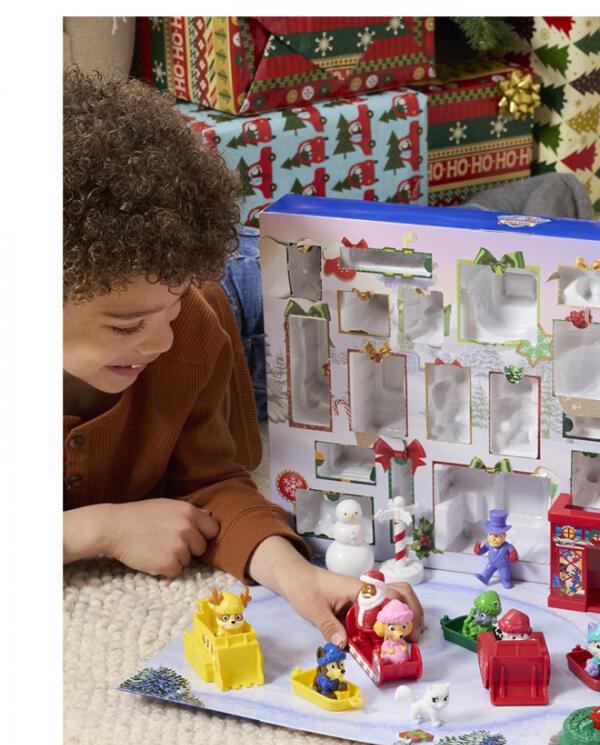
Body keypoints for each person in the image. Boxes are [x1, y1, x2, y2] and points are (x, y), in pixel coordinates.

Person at [61, 69, 422, 647]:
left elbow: (212, 483)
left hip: (236, 299)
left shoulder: (185, 328)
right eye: (126, 325)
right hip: (235, 316)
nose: (162, 342)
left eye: (170, 311)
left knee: (409, 289)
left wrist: (294, 572)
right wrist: (96, 529)